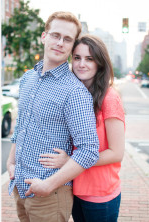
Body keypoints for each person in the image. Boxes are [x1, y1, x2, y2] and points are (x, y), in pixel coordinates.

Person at [6, 11, 100, 221]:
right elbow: (21, 124)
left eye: (67, 39)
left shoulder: (74, 92)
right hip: (20, 186)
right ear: (44, 36)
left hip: (51, 194)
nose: (60, 43)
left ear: (72, 45)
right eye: (55, 35)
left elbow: (89, 150)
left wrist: (48, 185)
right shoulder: (27, 78)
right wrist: (10, 162)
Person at [39, 35, 125, 222]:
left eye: (89, 59)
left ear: (100, 63)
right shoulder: (75, 94)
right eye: (77, 57)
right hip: (75, 189)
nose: (81, 64)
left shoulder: (109, 98)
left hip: (100, 194)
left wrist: (71, 161)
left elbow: (116, 153)